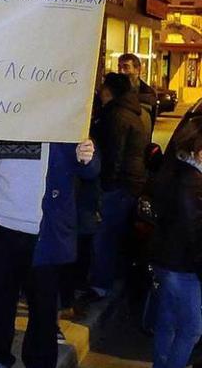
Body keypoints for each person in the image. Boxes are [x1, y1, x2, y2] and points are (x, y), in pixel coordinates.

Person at [0, 139, 98, 368]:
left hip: (44, 233)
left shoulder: (63, 125)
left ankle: (39, 361)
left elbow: (90, 170)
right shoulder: (1, 118)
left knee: (43, 305)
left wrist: (86, 156)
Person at [87, 73, 149, 300]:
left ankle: (100, 285)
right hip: (130, 183)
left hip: (119, 185)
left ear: (109, 90)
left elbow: (114, 154)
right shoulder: (133, 113)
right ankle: (110, 279)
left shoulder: (116, 116)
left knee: (105, 237)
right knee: (114, 235)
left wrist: (106, 185)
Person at [149, 118, 202, 368]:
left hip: (166, 259)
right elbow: (193, 232)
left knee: (168, 322)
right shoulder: (192, 181)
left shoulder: (175, 169)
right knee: (191, 329)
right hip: (183, 266)